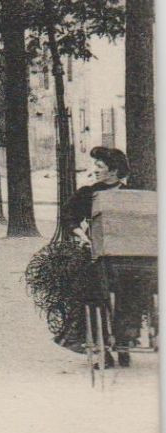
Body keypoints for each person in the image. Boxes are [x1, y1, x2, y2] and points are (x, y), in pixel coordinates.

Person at [59, 147, 138, 366]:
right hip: (98, 256)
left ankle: (124, 342)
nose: (95, 170)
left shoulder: (132, 196)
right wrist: (81, 236)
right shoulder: (89, 193)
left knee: (134, 288)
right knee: (93, 292)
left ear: (114, 171)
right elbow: (69, 217)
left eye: (100, 166)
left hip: (126, 258)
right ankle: (103, 349)